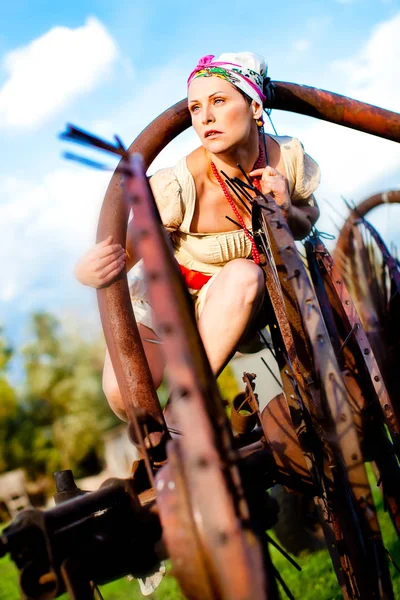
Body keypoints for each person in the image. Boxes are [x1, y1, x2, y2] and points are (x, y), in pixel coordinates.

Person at [75, 52, 320, 421]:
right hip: (171, 295)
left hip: (239, 300)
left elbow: (306, 224)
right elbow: (124, 253)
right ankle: (164, 435)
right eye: (194, 108)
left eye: (218, 101)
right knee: (127, 397)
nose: (204, 117)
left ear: (254, 105)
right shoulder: (180, 185)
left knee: (243, 274)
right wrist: (87, 272)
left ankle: (184, 413)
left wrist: (286, 208)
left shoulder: (287, 158)